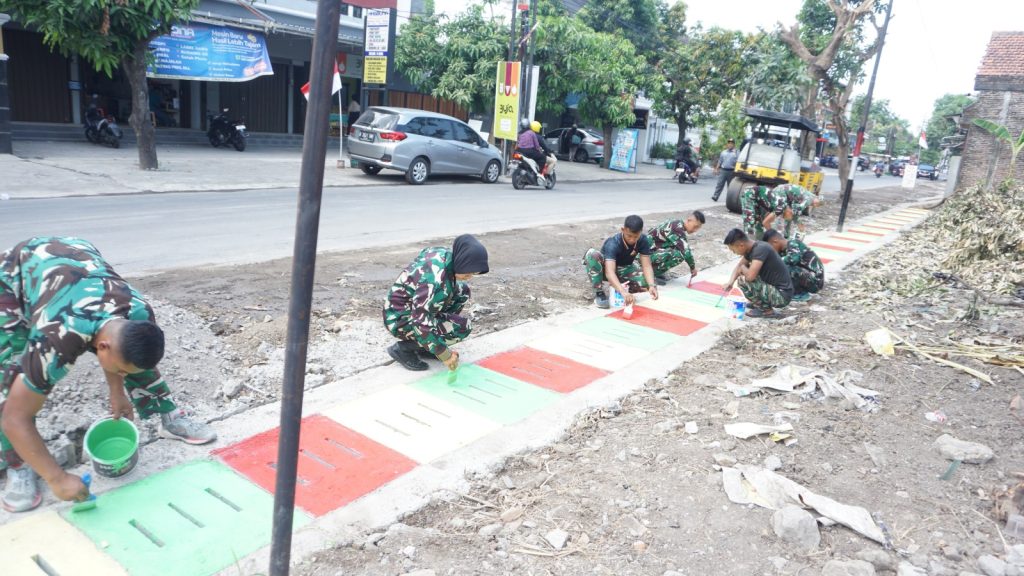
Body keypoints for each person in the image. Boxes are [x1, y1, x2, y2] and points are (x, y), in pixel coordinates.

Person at [0, 237, 216, 513]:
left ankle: (169, 418)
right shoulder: (56, 339)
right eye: (121, 372)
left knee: (136, 355)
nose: (124, 375)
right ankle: (18, 465)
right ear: (101, 346)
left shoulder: (138, 313)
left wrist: (117, 392)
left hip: (77, 258)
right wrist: (58, 478)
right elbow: (15, 418)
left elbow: (114, 348)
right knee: (9, 374)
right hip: (14, 275)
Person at [383, 235, 489, 372]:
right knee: (461, 328)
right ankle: (403, 349)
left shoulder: (445, 255)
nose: (470, 277)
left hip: (408, 306)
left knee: (462, 290)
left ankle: (427, 344)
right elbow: (420, 321)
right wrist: (444, 354)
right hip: (399, 319)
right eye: (469, 271)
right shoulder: (434, 282)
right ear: (462, 261)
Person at [583, 215, 660, 309]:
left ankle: (621, 286)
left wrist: (651, 285)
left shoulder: (643, 240)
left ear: (640, 232)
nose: (632, 240)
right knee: (592, 254)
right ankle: (599, 292)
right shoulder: (613, 243)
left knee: (648, 282)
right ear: (623, 230)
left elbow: (647, 266)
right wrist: (623, 291)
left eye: (635, 237)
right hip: (605, 270)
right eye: (629, 236)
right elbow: (609, 272)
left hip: (624, 269)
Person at [721, 228, 793, 318]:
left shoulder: (760, 249)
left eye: (733, 250)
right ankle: (760, 304)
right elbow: (738, 266)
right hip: (774, 291)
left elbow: (750, 277)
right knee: (744, 274)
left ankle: (766, 310)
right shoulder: (752, 248)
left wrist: (743, 268)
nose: (734, 253)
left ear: (741, 245)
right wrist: (730, 283)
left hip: (782, 296)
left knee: (743, 280)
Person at [647, 210, 706, 286]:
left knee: (676, 248)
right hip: (643, 256)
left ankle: (655, 272)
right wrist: (692, 268)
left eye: (698, 228)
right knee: (679, 255)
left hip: (649, 253)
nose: (695, 230)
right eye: (695, 227)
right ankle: (650, 275)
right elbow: (686, 252)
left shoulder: (677, 224)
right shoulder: (677, 228)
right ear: (688, 220)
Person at [763, 229, 824, 301]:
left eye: (770, 247)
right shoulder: (783, 250)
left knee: (787, 268)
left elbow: (793, 259)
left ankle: (800, 294)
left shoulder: (792, 243)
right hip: (807, 279)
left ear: (775, 241)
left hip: (815, 282)